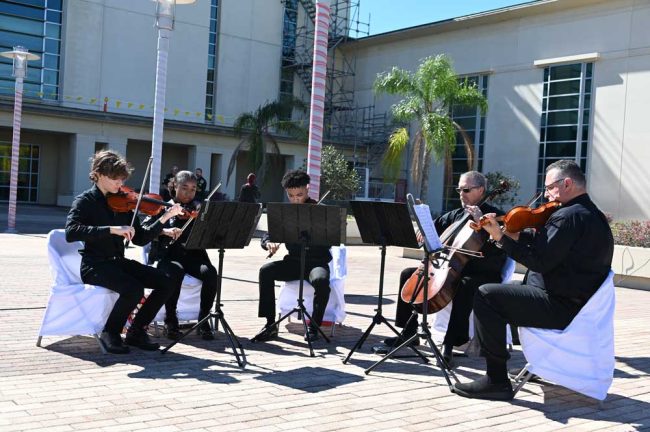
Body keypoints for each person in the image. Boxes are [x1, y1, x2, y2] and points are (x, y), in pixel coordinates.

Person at [453, 160, 614, 401]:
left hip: (560, 307)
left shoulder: (567, 217)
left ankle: (496, 381)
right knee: (510, 289)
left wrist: (500, 237)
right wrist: (515, 233)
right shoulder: (591, 214)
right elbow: (552, 247)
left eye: (550, 187)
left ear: (567, 183)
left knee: (486, 295)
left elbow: (539, 262)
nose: (547, 194)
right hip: (578, 303)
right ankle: (538, 364)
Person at [374, 171, 507, 365]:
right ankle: (408, 332)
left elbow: (500, 247)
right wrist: (422, 230)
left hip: (481, 271)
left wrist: (483, 224)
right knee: (409, 274)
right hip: (450, 266)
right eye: (459, 189)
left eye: (466, 190)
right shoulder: (456, 214)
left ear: (481, 190)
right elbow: (434, 229)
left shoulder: (495, 215)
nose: (461, 193)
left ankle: (451, 342)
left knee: (465, 285)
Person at [65, 150, 184, 354]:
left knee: (166, 281)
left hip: (118, 262)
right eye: (115, 178)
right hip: (95, 265)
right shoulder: (84, 201)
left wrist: (164, 219)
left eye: (122, 178)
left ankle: (136, 331)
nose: (119, 184)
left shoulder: (124, 202)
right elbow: (71, 232)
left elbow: (140, 238)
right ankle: (110, 333)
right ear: (99, 174)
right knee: (134, 289)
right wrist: (111, 229)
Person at [253, 169, 331, 342]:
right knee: (266, 271)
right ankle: (270, 324)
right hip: (294, 262)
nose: (296, 199)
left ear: (308, 188)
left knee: (321, 281)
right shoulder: (285, 213)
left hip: (316, 263)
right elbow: (268, 234)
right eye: (291, 195)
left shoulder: (321, 210)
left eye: (300, 194)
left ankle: (314, 327)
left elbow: (331, 239)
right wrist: (268, 243)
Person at [145, 170, 218, 341]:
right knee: (175, 272)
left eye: (193, 189)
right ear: (174, 186)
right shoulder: (162, 207)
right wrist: (164, 230)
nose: (189, 193)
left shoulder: (198, 209)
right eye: (184, 188)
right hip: (168, 256)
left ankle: (203, 319)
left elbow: (210, 234)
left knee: (210, 273)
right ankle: (171, 320)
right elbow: (145, 232)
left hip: (193, 256)